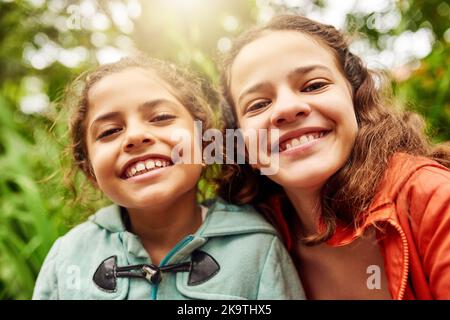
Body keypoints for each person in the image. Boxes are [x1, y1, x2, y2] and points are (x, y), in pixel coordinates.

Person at [32, 54, 305, 300]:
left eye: (161, 117)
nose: (136, 136)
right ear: (90, 170)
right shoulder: (67, 256)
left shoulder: (257, 247)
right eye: (109, 131)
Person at [219, 14, 450, 299]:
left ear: (356, 101)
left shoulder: (435, 200)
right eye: (258, 104)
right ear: (244, 147)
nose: (288, 108)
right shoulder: (250, 237)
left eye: (314, 85)